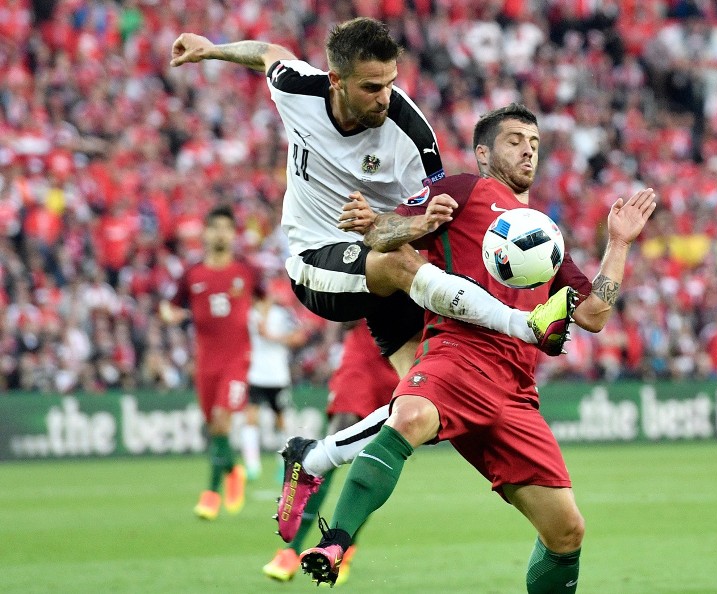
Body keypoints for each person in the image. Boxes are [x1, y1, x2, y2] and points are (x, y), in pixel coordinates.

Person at [170, 16, 574, 541]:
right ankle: (526, 325)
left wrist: (414, 224)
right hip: (316, 261)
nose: (386, 96)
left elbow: (433, 219)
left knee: (418, 404)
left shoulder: (411, 133)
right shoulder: (298, 90)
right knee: (401, 265)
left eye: (390, 81)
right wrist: (210, 49)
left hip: (387, 265)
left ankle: (311, 457)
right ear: (336, 81)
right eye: (371, 86)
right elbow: (269, 52)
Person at [296, 104, 657, 591]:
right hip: (457, 355)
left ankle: (314, 461)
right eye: (514, 140)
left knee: (566, 531)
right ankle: (335, 540)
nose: (528, 148)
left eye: (533, 141)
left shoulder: (543, 235)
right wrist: (413, 225)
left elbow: (593, 314)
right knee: (409, 418)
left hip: (515, 390)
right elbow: (381, 234)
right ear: (483, 152)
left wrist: (619, 243)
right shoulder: (461, 191)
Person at [263, 319, 398, 584]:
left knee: (375, 456)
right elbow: (345, 317)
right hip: (363, 355)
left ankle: (343, 546)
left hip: (406, 359)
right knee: (339, 435)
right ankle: (291, 550)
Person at [159, 205, 264, 520]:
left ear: (234, 234)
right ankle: (234, 472)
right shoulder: (192, 274)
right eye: (214, 227)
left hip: (237, 360)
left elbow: (264, 296)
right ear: (204, 233)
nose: (220, 233)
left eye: (226, 228)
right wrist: (170, 315)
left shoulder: (247, 270)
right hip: (205, 363)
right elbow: (169, 305)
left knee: (222, 421)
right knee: (214, 429)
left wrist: (264, 317)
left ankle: (210, 494)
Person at [241, 298, 306, 482]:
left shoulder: (282, 314)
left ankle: (284, 465)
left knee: (281, 421)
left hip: (277, 376)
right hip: (254, 374)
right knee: (250, 417)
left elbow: (299, 337)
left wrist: (272, 336)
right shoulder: (248, 314)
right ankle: (252, 466)